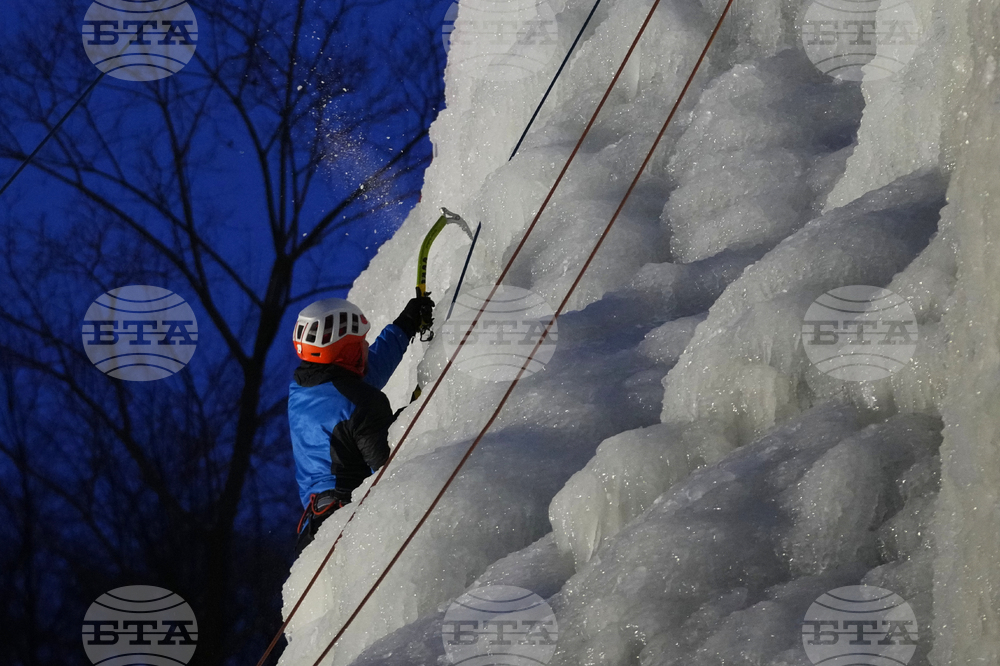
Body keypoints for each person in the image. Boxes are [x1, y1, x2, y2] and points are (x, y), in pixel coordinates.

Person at [288, 294, 433, 551]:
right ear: (347, 351)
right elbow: (390, 469)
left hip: (314, 530)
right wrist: (411, 417)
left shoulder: (303, 387)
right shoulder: (360, 403)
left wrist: (405, 325)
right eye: (360, 342)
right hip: (350, 528)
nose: (366, 346)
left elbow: (363, 375)